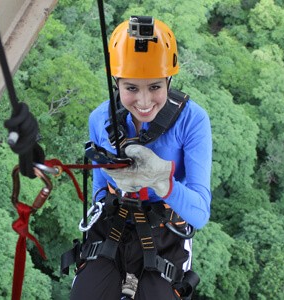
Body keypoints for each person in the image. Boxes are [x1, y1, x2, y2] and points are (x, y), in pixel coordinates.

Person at [70, 16, 212, 300]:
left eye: (155, 87)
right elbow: (99, 189)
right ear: (117, 82)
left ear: (169, 80)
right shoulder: (101, 119)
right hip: (114, 220)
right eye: (131, 88)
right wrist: (113, 189)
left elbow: (199, 213)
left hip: (165, 228)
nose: (144, 102)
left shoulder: (192, 121)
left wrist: (163, 182)